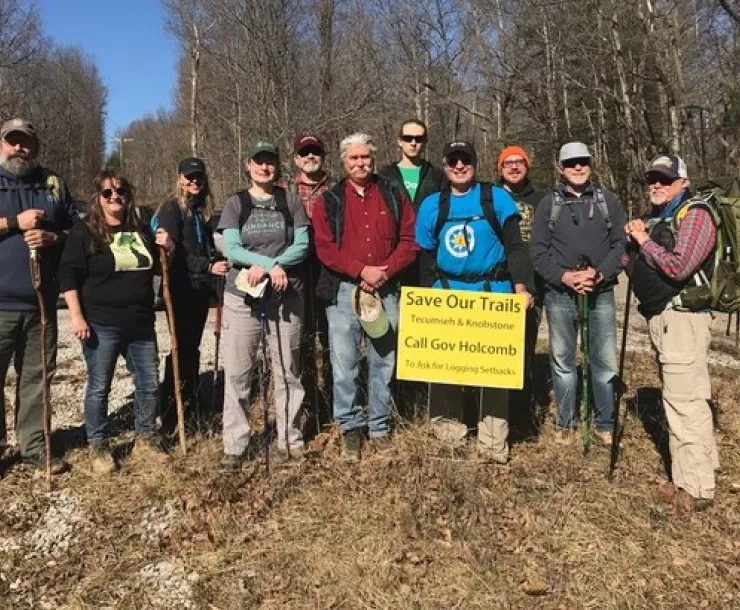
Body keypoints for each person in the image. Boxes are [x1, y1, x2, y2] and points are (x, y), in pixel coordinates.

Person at [416, 140, 532, 463]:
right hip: (446, 295)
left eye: (465, 159)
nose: (459, 166)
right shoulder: (431, 205)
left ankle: (493, 446)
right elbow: (425, 256)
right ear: (444, 164)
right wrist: (426, 299)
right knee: (445, 368)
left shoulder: (495, 198)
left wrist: (521, 287)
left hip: (491, 294)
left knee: (493, 370)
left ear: (475, 163)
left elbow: (515, 247)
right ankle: (449, 438)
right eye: (453, 160)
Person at [59, 171, 174, 473]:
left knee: (148, 384)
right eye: (107, 193)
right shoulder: (84, 231)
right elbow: (68, 275)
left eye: (120, 191)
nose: (115, 197)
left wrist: (168, 248)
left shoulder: (140, 229)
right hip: (101, 323)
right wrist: (76, 315)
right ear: (98, 197)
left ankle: (146, 437)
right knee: (100, 386)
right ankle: (98, 445)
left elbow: (160, 268)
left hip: (140, 321)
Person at [313, 133, 418, 460]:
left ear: (373, 159)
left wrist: (385, 271)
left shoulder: (392, 193)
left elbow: (409, 240)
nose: (360, 163)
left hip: (386, 290)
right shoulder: (329, 200)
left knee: (383, 362)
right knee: (344, 365)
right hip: (345, 292)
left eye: (365, 158)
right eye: (354, 158)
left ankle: (380, 427)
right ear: (343, 162)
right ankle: (350, 429)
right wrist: (361, 270)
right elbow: (325, 248)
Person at [625, 154, 718, 512]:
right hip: (665, 318)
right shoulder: (663, 216)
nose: (656, 185)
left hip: (683, 318)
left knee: (683, 402)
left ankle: (693, 487)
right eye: (652, 178)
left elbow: (679, 267)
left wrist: (644, 240)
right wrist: (633, 245)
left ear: (684, 181)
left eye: (665, 178)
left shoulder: (695, 215)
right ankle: (701, 470)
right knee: (688, 395)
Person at [217, 141, 310, 473]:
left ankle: (290, 438)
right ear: (248, 165)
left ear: (277, 167)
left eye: (270, 162)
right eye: (259, 161)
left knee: (288, 371)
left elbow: (302, 245)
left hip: (286, 297)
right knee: (239, 373)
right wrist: (267, 264)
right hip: (244, 298)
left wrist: (276, 266)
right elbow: (232, 248)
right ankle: (236, 445)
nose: (265, 167)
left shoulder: (291, 201)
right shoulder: (235, 204)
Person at [530, 142, 626, 444]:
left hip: (601, 292)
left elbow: (620, 247)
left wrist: (598, 275)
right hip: (561, 294)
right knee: (563, 360)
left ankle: (605, 422)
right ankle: (566, 422)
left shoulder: (607, 200)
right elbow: (538, 250)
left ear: (591, 164)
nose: (578, 168)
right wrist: (565, 277)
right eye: (571, 163)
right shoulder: (549, 204)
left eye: (583, 162)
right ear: (560, 168)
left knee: (604, 360)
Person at [0, 118, 78, 474]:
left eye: (25, 142)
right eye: (12, 141)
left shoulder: (53, 185)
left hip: (41, 304)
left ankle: (33, 446)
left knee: (37, 378)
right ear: (2, 145)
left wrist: (53, 238)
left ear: (36, 147)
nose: (19, 148)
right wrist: (16, 223)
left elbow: (75, 233)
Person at [154, 157, 228, 434]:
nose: (194, 182)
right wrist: (207, 265)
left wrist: (217, 259)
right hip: (181, 289)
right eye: (189, 177)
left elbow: (207, 247)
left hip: (200, 291)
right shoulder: (171, 209)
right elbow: (175, 254)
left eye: (198, 177)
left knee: (192, 349)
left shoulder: (203, 211)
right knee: (180, 349)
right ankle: (172, 411)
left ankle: (192, 401)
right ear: (179, 179)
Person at [496, 145, 546, 419]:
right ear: (500, 169)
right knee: (497, 350)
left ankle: (521, 407)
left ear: (527, 166)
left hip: (532, 285)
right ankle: (495, 407)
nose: (514, 167)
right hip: (498, 284)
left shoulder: (542, 200)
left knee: (525, 347)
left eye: (519, 162)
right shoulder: (488, 198)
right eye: (507, 163)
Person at [289, 133, 333, 433]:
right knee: (298, 341)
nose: (310, 157)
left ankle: (331, 401)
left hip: (328, 270)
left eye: (315, 152)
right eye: (305, 152)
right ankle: (304, 403)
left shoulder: (337, 190)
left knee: (331, 340)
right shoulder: (283, 191)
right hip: (294, 272)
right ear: (296, 158)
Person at [379, 119, 446, 287]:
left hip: (429, 255)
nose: (413, 143)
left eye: (419, 138)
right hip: (394, 256)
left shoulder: (437, 176)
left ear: (425, 142)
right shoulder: (384, 176)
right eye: (408, 138)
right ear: (399, 141)